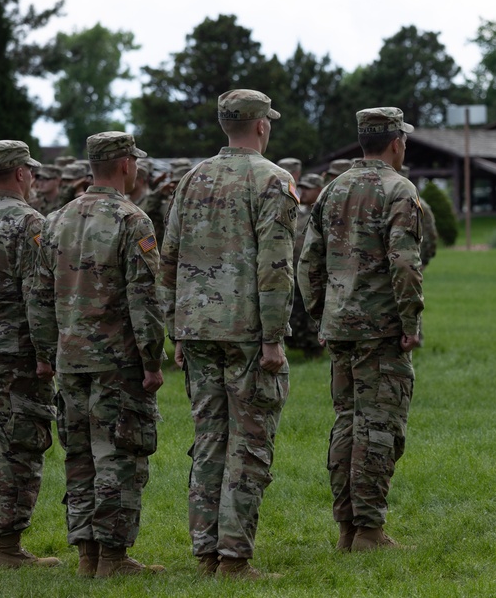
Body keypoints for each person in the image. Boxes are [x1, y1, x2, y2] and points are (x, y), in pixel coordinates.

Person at [160, 89, 298, 578]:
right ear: (261, 126)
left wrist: (176, 329)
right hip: (246, 331)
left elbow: (169, 258)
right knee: (249, 442)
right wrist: (274, 337)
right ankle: (234, 558)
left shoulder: (192, 178)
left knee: (209, 439)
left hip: (197, 328)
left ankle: (206, 553)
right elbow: (276, 265)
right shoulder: (273, 179)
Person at [32, 132, 165, 577]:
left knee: (80, 456)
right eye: (135, 161)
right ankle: (112, 557)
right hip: (116, 361)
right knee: (118, 454)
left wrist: (46, 353)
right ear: (125, 164)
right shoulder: (132, 220)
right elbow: (145, 301)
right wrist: (152, 361)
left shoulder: (56, 219)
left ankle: (87, 556)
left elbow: (38, 296)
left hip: (70, 359)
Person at [298, 107, 424, 550]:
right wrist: (410, 321)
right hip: (381, 329)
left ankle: (347, 529)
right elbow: (404, 263)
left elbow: (308, 261)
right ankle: (369, 530)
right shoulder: (398, 189)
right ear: (396, 143)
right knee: (379, 426)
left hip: (340, 326)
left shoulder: (333, 188)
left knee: (347, 423)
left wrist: (321, 314)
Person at [0, 141, 59, 569]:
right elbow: (38, 294)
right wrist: (46, 353)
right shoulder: (30, 222)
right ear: (21, 173)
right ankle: (6, 547)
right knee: (18, 444)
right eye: (31, 170)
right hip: (16, 350)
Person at [286, 173, 326, 356]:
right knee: (295, 311)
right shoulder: (298, 212)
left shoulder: (322, 212)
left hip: (315, 272)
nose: (304, 192)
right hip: (294, 271)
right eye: (302, 187)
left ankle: (314, 348)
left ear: (319, 189)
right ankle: (298, 343)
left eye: (309, 188)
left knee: (312, 311)